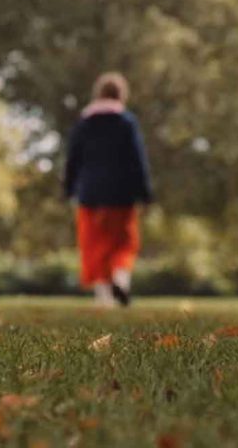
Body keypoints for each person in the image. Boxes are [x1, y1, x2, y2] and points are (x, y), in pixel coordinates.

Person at [64, 72, 153, 308]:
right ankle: (121, 280)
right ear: (121, 95)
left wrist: (69, 189)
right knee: (123, 243)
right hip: (121, 194)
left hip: (90, 193)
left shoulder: (84, 123)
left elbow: (73, 159)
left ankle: (103, 297)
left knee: (94, 244)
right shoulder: (126, 122)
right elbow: (137, 159)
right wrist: (145, 193)